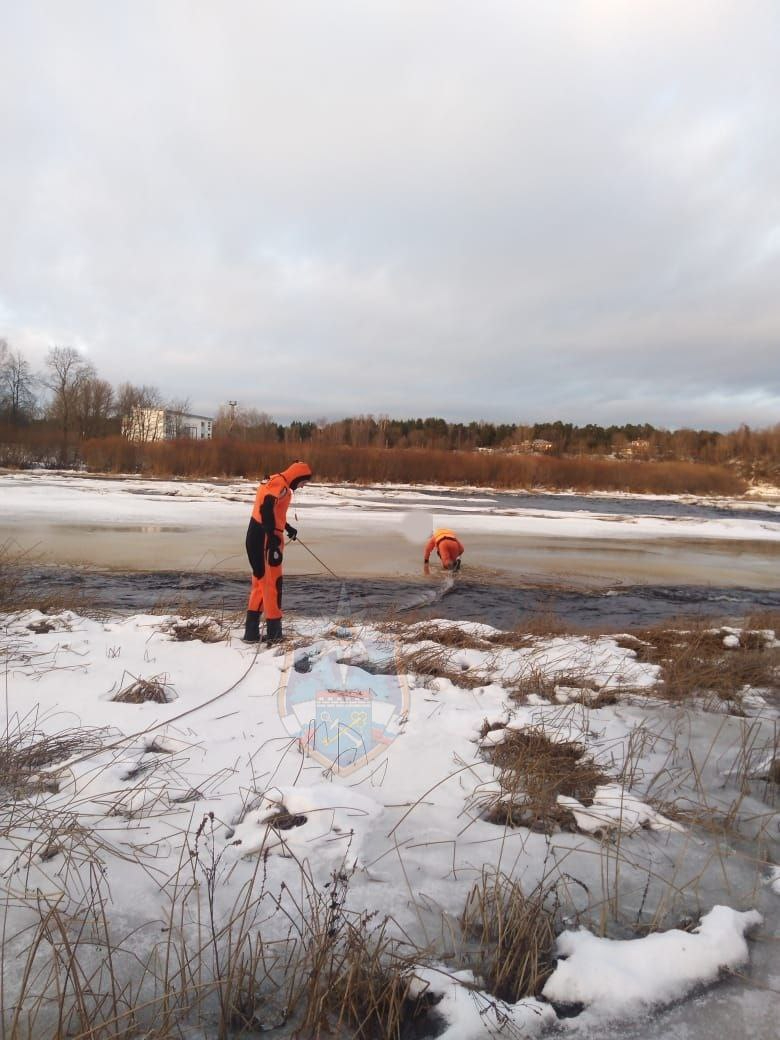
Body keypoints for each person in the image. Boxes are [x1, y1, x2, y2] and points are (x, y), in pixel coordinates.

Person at [243, 460, 313, 644]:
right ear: (297, 476)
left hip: (258, 535)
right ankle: (274, 633)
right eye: (303, 482)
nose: (303, 486)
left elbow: (272, 513)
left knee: (260, 582)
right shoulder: (279, 485)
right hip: (264, 538)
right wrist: (272, 538)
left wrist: (286, 527)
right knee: (272, 584)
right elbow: (265, 508)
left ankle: (250, 633)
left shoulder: (277, 482)